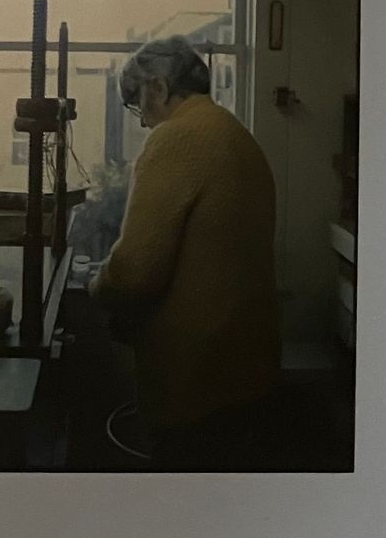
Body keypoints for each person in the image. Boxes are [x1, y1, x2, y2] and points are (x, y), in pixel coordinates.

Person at [90, 37, 282, 463]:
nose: (143, 122)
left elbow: (134, 274)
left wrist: (97, 285)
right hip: (248, 366)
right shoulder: (235, 134)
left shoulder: (176, 138)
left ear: (158, 88)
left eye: (137, 104)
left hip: (196, 376)